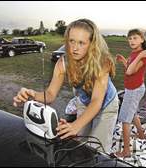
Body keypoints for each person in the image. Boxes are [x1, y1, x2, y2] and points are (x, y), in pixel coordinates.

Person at [13, 18, 119, 153]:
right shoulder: (62, 63)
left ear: (92, 44)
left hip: (106, 105)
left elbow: (97, 101)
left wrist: (75, 125)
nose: (74, 48)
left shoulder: (103, 62)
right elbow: (50, 95)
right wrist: (31, 94)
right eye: (71, 41)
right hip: (84, 102)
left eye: (81, 43)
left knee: (97, 150)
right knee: (79, 143)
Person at [115, 29, 146, 157]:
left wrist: (140, 56)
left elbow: (129, 72)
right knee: (132, 113)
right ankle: (141, 134)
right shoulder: (135, 53)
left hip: (134, 90)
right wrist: (123, 61)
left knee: (125, 119)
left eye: (135, 38)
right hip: (133, 88)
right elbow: (129, 67)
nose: (131, 41)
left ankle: (126, 151)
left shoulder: (143, 55)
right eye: (130, 38)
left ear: (142, 39)